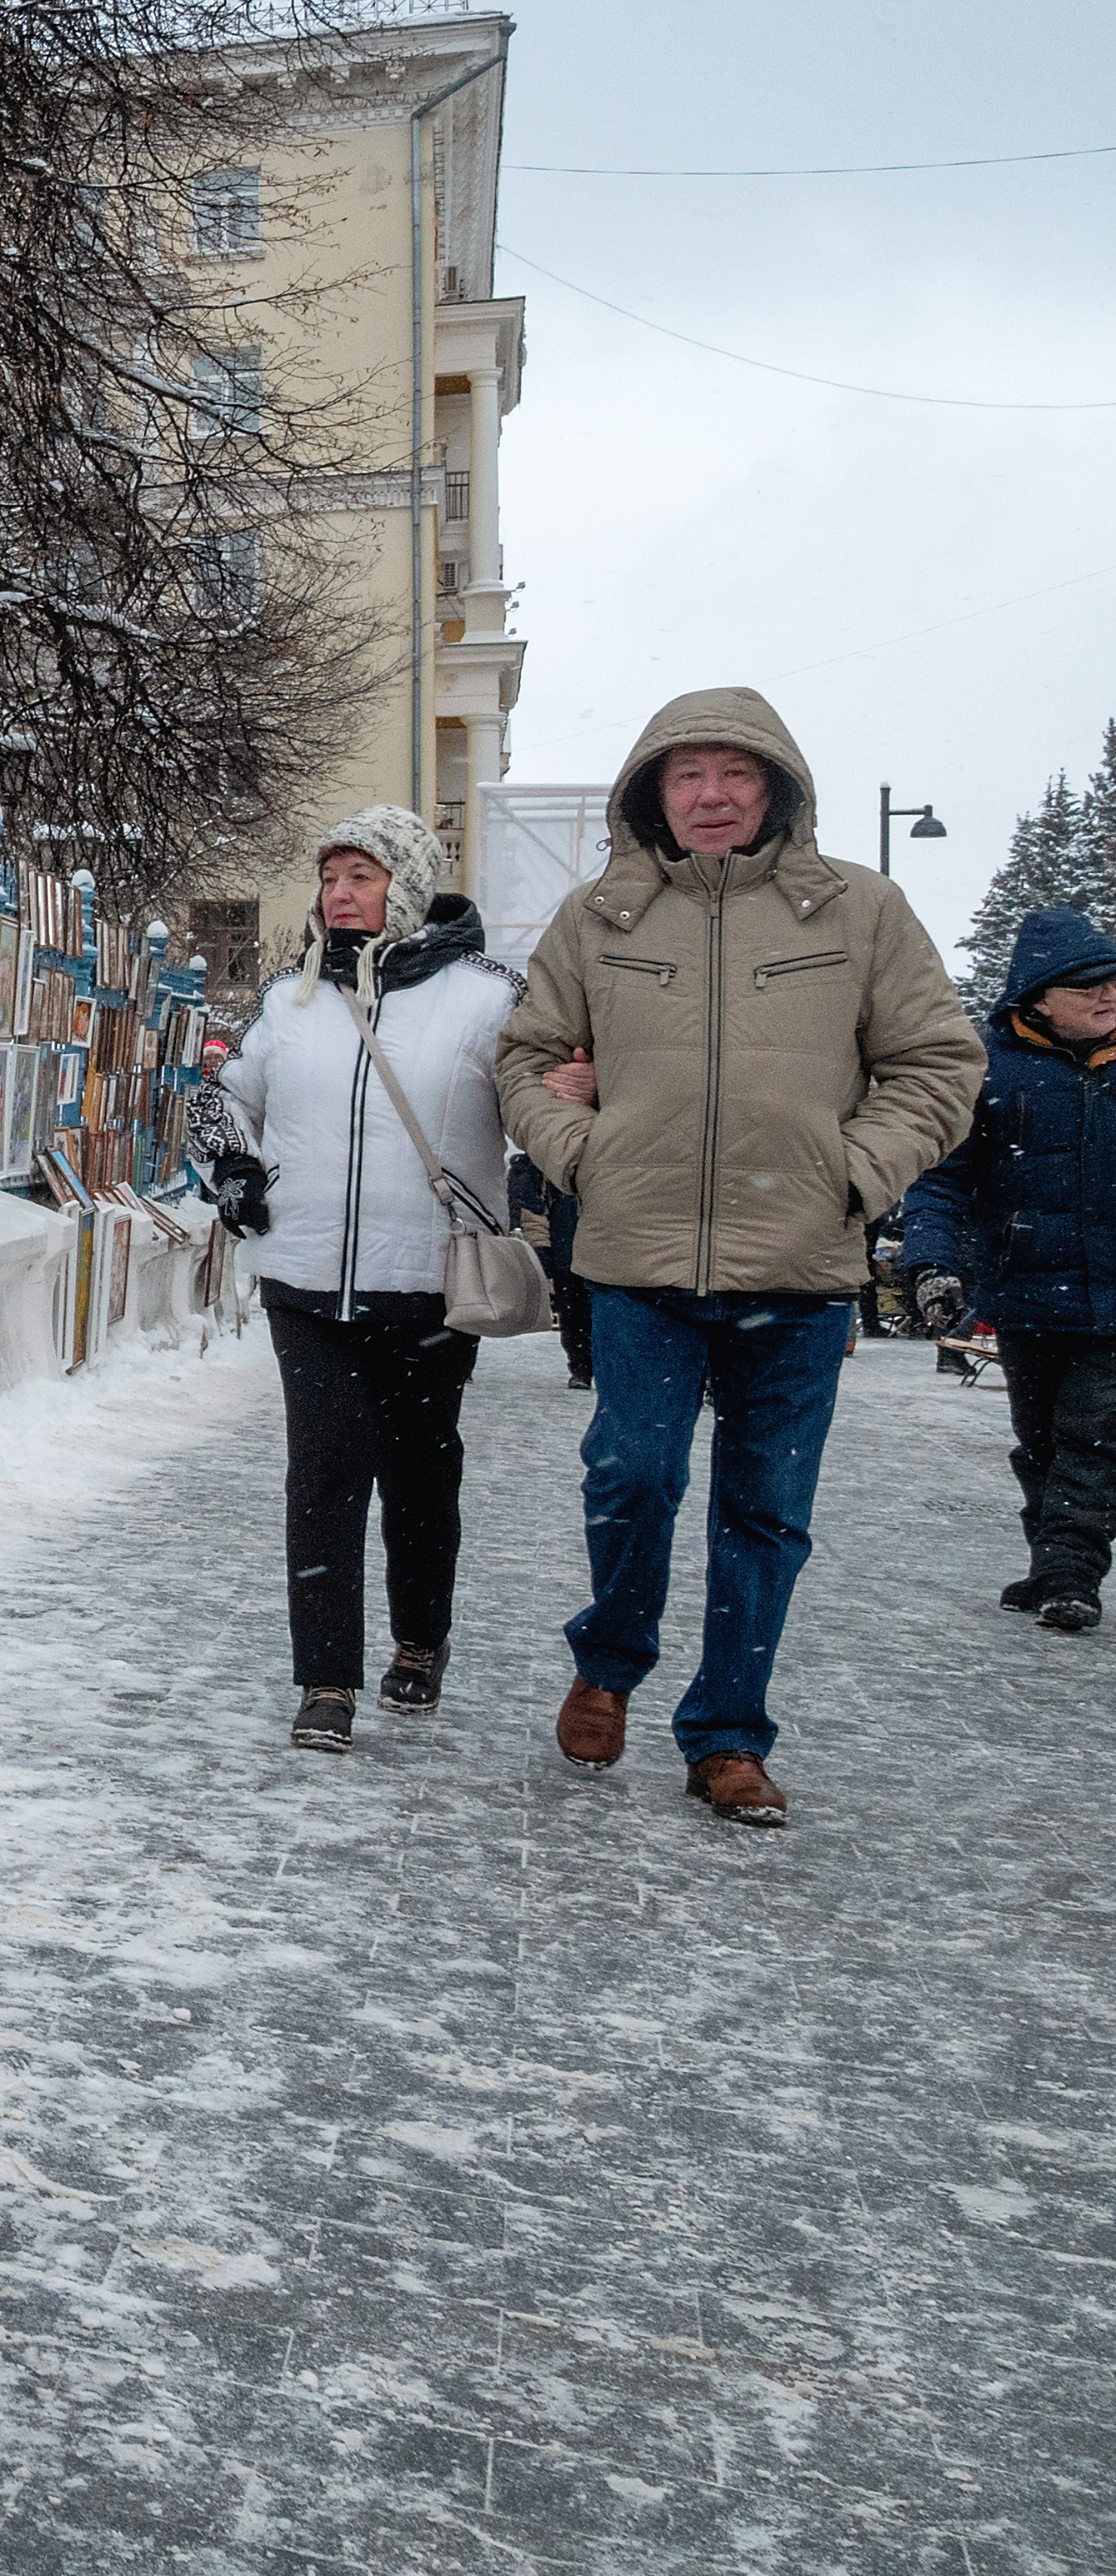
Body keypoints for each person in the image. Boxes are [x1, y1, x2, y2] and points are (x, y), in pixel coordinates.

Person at [494, 691, 983, 1826]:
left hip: (801, 1268)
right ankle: (611, 1657)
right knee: (632, 1478)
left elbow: (940, 1065)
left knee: (765, 1512)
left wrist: (856, 1173)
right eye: (687, 777)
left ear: (776, 786)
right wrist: (584, 1152)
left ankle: (727, 1736)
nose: (711, 797)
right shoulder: (600, 917)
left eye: (734, 774)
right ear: (651, 794)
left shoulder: (859, 913)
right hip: (640, 1260)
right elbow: (524, 1058)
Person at [202, 805, 521, 1755]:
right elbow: (222, 1098)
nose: (340, 894)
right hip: (304, 1281)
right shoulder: (289, 998)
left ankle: (420, 1638)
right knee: (324, 1476)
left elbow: (543, 1103)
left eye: (363, 877)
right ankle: (327, 1679)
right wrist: (235, 1171)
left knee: (421, 1474)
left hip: (429, 1280)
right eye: (332, 877)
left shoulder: (491, 995)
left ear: (409, 887)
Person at [901, 904, 1116, 1637]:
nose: (1107, 995)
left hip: (1113, 1301)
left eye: (1113, 980)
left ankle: (1070, 1574)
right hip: (1027, 1292)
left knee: (1094, 1437)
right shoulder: (986, 1067)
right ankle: (1051, 1559)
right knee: (1041, 1439)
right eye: (1087, 984)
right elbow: (940, 1180)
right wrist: (930, 1264)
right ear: (1038, 996)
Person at [507, 1151, 592, 1386]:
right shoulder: (538, 1166)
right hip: (570, 1251)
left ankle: (585, 1369)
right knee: (576, 1316)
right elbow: (533, 1214)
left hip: (583, 1250)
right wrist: (544, 1260)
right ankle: (582, 1369)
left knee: (581, 1316)